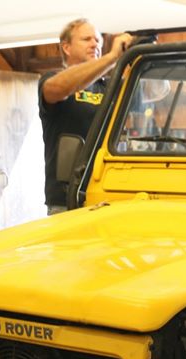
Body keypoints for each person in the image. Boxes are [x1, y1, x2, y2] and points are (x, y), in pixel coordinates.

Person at [39, 19, 133, 214]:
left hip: (107, 193)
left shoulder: (111, 86)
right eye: (86, 39)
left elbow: (156, 92)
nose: (95, 44)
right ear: (66, 47)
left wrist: (139, 55)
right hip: (67, 199)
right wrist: (112, 57)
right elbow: (59, 88)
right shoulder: (51, 80)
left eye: (97, 40)